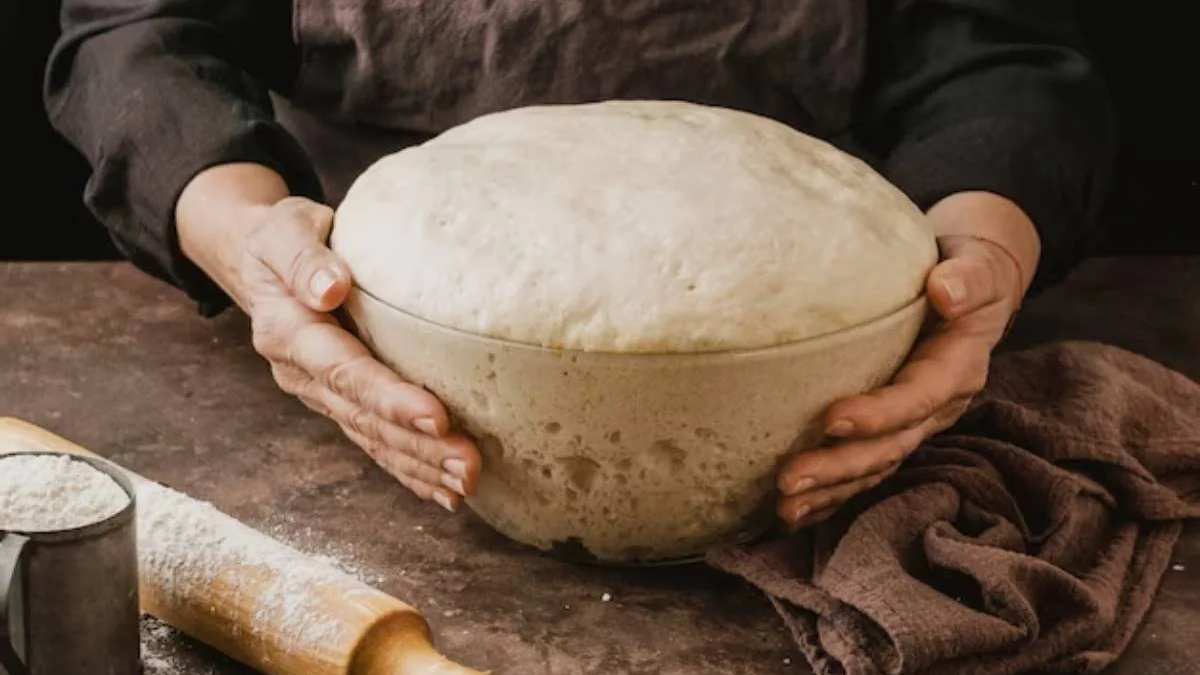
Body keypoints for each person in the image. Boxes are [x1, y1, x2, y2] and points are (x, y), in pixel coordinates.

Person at [46, 1, 1114, 527]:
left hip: (840, 310)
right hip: (376, 314)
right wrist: (252, 240)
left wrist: (981, 261)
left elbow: (1000, 51)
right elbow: (134, 29)